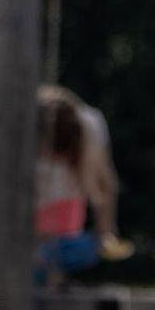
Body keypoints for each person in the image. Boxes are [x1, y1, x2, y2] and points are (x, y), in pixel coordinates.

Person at [34, 86, 130, 287]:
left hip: (65, 218)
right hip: (35, 222)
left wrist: (106, 231)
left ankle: (55, 275)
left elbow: (105, 182)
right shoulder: (24, 126)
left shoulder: (90, 125)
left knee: (78, 250)